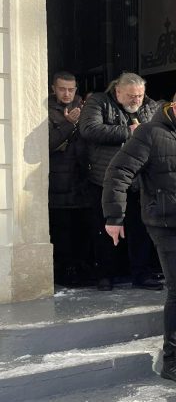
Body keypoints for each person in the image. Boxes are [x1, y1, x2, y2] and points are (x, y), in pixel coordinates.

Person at [102, 86, 176, 384]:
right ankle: (173, 358)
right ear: (175, 108)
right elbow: (119, 172)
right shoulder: (150, 134)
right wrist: (114, 216)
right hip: (166, 225)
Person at [80, 72, 162, 291]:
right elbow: (89, 129)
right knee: (106, 229)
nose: (136, 100)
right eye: (131, 96)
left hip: (139, 180)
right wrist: (128, 131)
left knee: (140, 229)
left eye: (140, 96)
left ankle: (141, 274)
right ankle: (105, 275)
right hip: (105, 178)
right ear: (118, 91)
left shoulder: (150, 106)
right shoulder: (98, 102)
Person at [48, 71, 90, 285]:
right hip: (59, 180)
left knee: (82, 230)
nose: (67, 93)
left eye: (71, 89)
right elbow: (47, 143)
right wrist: (68, 124)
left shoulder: (86, 108)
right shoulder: (46, 110)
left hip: (83, 179)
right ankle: (64, 272)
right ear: (53, 89)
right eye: (62, 89)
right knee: (62, 231)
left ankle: (82, 270)